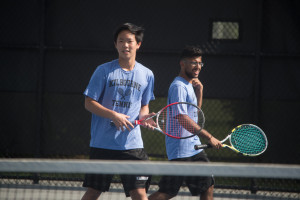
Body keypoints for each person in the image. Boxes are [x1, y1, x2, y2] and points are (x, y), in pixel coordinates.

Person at [81, 23, 155, 200]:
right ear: (115, 44)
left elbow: (144, 104)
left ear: (138, 44)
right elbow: (89, 103)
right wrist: (113, 115)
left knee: (139, 193)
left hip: (132, 146)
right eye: (121, 41)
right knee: (93, 192)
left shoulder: (147, 74)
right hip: (102, 144)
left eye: (129, 41)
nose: (125, 45)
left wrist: (145, 117)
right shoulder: (103, 71)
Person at [148, 46, 222, 200]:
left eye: (200, 63)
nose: (198, 67)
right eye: (193, 62)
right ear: (182, 63)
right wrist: (209, 137)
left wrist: (199, 91)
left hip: (193, 148)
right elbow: (182, 118)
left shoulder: (189, 85)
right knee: (168, 191)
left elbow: (193, 113)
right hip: (181, 149)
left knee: (208, 184)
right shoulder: (178, 86)